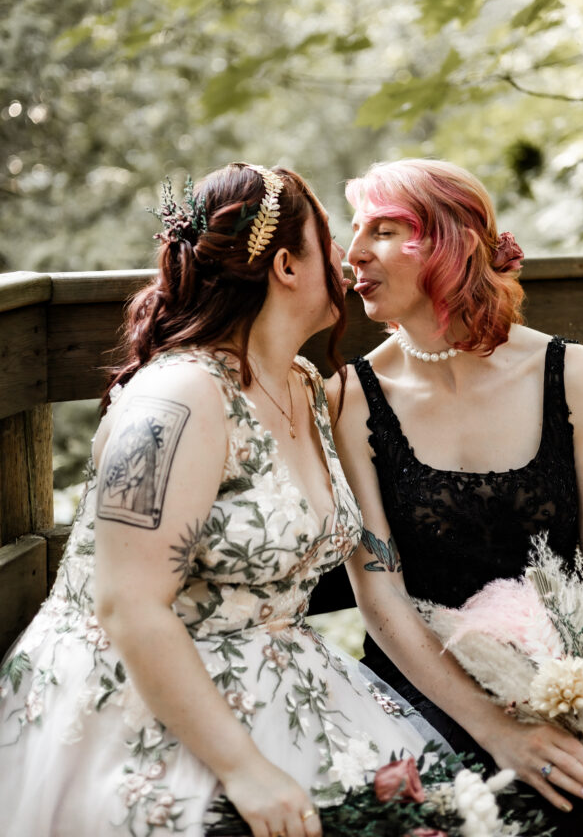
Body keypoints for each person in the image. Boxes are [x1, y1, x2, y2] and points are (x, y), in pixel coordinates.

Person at [0, 163, 454, 837]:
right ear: (286, 267)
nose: (344, 257)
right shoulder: (177, 398)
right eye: (327, 239)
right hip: (145, 703)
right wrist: (244, 768)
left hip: (286, 679)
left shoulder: (301, 381)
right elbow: (128, 605)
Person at [328, 158, 583, 837]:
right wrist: (495, 730)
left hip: (576, 673)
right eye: (354, 231)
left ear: (447, 244)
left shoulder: (568, 372)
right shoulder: (349, 396)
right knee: (507, 816)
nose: (353, 254)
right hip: (431, 684)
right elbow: (378, 596)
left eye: (381, 229)